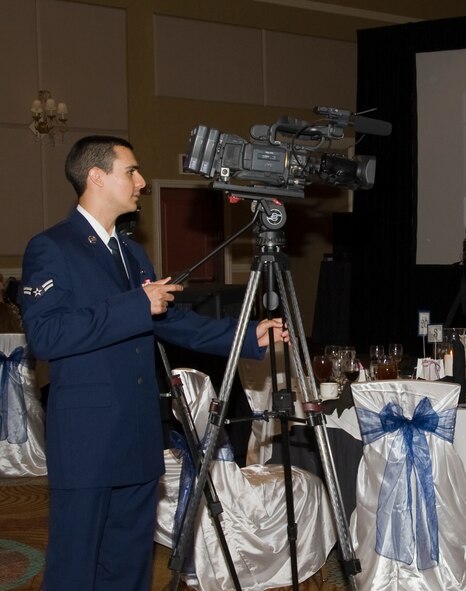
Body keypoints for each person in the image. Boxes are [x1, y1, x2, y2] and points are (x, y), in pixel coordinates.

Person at [20, 135, 287, 591]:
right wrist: (134, 305)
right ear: (96, 177)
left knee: (128, 565)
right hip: (87, 440)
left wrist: (246, 335)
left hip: (139, 434)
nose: (142, 182)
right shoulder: (52, 248)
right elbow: (46, 336)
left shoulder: (130, 251)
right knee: (76, 566)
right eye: (132, 172)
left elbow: (170, 321)